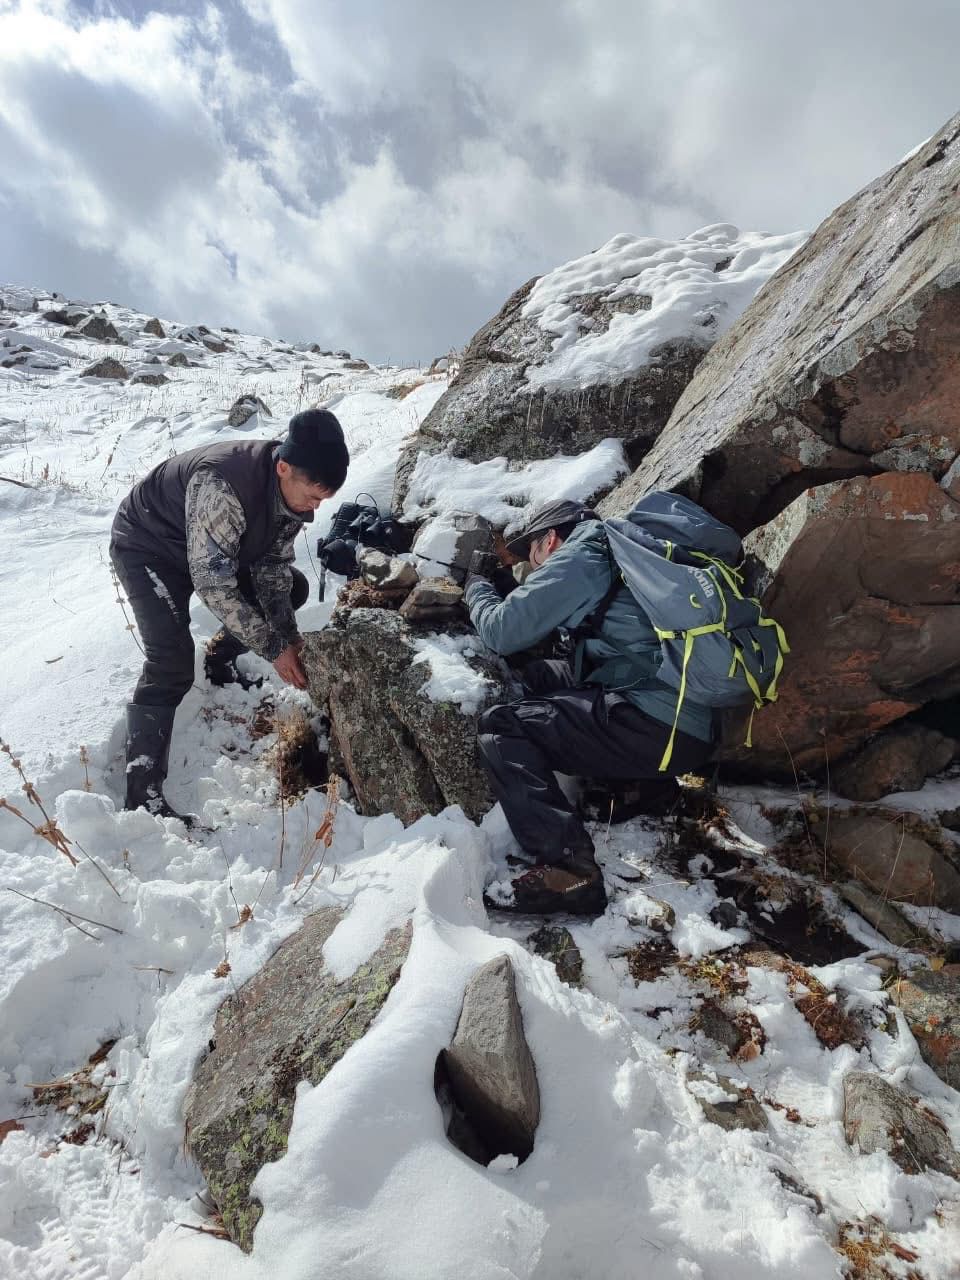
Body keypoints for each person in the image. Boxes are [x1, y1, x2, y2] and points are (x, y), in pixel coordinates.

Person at [465, 499, 716, 916]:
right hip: (686, 723)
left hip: (659, 725)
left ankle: (569, 871)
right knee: (543, 675)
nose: (533, 569)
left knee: (501, 727)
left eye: (533, 558)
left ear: (550, 539)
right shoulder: (618, 554)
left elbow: (501, 630)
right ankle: (643, 790)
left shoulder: (583, 552)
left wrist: (476, 587)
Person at [110, 409, 349, 820]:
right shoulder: (222, 485)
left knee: (294, 588)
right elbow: (213, 584)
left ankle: (219, 662)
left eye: (323, 500)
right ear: (284, 467)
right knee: (171, 660)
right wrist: (274, 647)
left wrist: (289, 636)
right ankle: (142, 794)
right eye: (312, 495)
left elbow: (271, 569)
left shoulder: (289, 496)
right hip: (150, 546)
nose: (314, 508)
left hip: (216, 550)